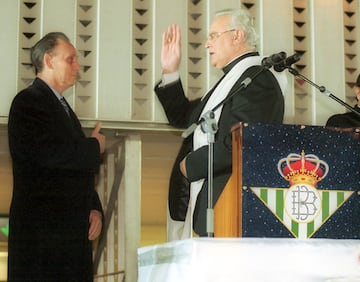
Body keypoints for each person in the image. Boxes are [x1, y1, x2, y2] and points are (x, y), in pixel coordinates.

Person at [154, 8, 287, 240]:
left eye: (214, 35)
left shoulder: (256, 81)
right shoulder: (233, 81)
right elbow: (184, 118)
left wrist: (192, 164)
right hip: (216, 209)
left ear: (237, 36)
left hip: (228, 207)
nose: (207, 44)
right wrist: (170, 70)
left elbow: (243, 142)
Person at [7, 32, 105, 281]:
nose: (77, 66)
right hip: (43, 243)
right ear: (49, 61)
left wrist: (93, 207)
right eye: (70, 59)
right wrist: (94, 147)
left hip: (65, 242)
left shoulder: (63, 109)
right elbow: (47, 155)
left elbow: (71, 171)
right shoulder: (28, 102)